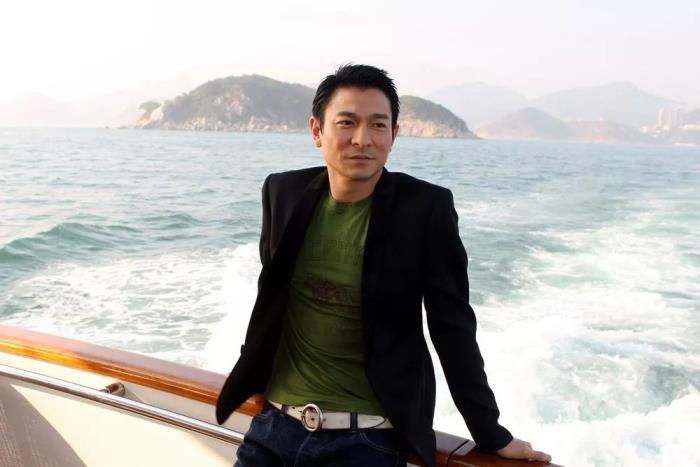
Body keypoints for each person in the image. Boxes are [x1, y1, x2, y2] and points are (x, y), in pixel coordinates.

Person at [215, 64, 551, 466]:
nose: (363, 139)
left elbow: (452, 327)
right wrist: (251, 374)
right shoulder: (283, 192)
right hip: (274, 427)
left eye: (378, 125)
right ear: (317, 131)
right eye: (347, 122)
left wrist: (489, 432)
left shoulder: (425, 209)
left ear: (394, 134)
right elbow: (270, 301)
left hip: (366, 441)